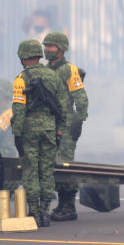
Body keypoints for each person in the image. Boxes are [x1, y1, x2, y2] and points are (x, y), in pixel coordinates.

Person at [11, 39, 69, 227]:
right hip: (50, 127)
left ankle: (34, 213)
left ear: (23, 57)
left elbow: (19, 109)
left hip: (29, 128)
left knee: (30, 170)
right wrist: (59, 128)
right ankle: (45, 212)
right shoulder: (53, 76)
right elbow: (62, 106)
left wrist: (17, 132)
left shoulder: (21, 79)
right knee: (46, 171)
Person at [42, 32, 88, 221]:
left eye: (51, 46)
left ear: (60, 50)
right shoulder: (46, 69)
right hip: (50, 124)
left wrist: (78, 120)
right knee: (53, 165)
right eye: (46, 46)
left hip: (67, 124)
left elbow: (81, 97)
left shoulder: (69, 70)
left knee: (65, 165)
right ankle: (61, 205)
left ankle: (69, 207)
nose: (47, 50)